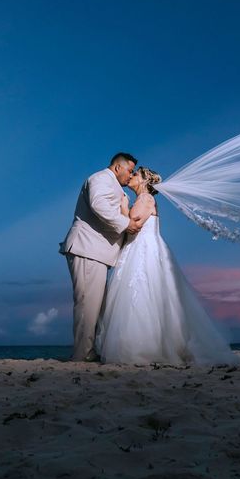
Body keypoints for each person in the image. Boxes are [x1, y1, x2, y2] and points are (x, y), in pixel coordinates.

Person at [95, 166, 239, 366]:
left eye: (135, 174)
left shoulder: (145, 199)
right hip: (139, 248)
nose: (131, 176)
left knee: (142, 292)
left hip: (143, 250)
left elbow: (133, 224)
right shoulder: (144, 199)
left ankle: (144, 347)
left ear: (145, 181)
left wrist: (122, 206)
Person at [60, 153, 143, 361]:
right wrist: (126, 224)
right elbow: (99, 205)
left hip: (96, 252)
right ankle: (82, 355)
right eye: (130, 170)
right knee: (87, 304)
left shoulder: (114, 186)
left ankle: (91, 350)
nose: (130, 175)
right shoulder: (100, 179)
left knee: (97, 305)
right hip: (87, 248)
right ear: (117, 168)